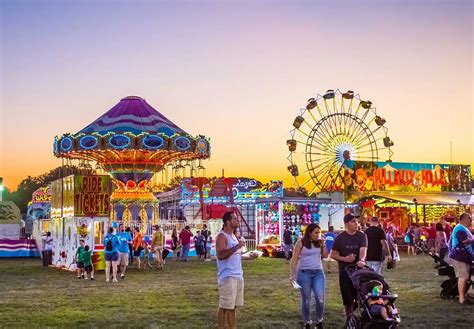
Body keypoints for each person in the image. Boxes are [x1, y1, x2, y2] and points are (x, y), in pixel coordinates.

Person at [216, 211, 258, 329]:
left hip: (238, 275)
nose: (238, 221)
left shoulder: (234, 236)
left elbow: (236, 255)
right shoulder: (222, 236)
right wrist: (237, 246)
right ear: (227, 222)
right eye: (235, 219)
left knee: (232, 306)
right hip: (228, 276)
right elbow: (221, 255)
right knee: (226, 306)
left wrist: (249, 256)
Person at [290, 223, 328, 329]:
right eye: (316, 232)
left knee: (320, 298)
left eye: (319, 232)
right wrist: (292, 274)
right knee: (306, 300)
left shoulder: (319, 243)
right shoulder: (301, 242)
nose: (318, 235)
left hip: (318, 272)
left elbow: (325, 255)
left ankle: (320, 320)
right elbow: (294, 259)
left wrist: (323, 244)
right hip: (304, 273)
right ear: (310, 232)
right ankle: (307, 322)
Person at [330, 213, 368, 317]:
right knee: (347, 300)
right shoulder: (340, 237)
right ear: (347, 224)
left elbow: (363, 250)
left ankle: (357, 315)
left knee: (361, 297)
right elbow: (333, 254)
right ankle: (349, 319)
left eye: (357, 221)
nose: (357, 223)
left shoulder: (362, 236)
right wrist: (345, 259)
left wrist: (361, 260)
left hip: (358, 271)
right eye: (353, 222)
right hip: (345, 272)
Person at [448, 213, 474, 305]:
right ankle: (462, 299)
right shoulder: (459, 228)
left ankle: (466, 295)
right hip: (459, 256)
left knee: (466, 276)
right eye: (469, 218)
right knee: (463, 277)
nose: (470, 220)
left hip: (464, 256)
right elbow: (464, 241)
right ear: (463, 219)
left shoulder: (463, 228)